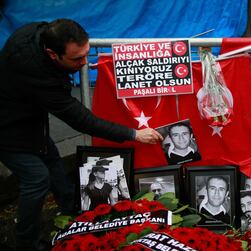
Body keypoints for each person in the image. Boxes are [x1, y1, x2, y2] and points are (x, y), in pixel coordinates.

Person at [0, 19, 163, 251]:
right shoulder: (34, 73)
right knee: (37, 180)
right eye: (77, 59)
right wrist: (133, 134)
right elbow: (80, 119)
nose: (85, 62)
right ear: (52, 54)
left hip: (31, 121)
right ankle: (26, 243)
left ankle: (75, 216)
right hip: (7, 128)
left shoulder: (40, 32)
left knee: (53, 162)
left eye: (86, 53)